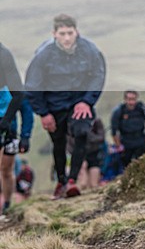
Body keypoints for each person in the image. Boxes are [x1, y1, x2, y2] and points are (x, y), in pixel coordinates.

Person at [25, 14, 106, 199]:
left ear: (76, 31)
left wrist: (87, 101)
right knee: (58, 142)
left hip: (80, 102)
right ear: (54, 34)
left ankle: (72, 180)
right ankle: (61, 181)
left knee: (82, 133)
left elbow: (98, 75)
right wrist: (43, 113)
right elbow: (32, 86)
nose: (67, 38)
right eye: (62, 33)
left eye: (70, 33)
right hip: (54, 105)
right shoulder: (43, 55)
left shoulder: (90, 50)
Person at [1, 43, 33, 214]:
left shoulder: (12, 84)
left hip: (9, 128)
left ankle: (7, 204)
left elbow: (26, 108)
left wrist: (25, 136)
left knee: (6, 169)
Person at [110, 90, 145, 167]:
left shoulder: (142, 109)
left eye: (133, 99)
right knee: (126, 167)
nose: (131, 102)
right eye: (129, 99)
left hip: (140, 140)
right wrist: (118, 146)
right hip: (126, 142)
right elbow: (114, 131)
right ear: (125, 99)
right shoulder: (119, 111)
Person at [69, 116, 105, 191]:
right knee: (83, 182)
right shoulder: (71, 123)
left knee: (94, 184)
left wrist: (89, 136)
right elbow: (69, 142)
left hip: (94, 153)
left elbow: (101, 138)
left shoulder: (96, 122)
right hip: (79, 154)